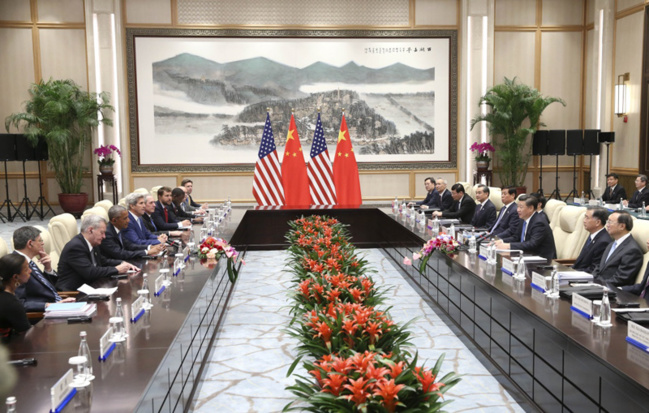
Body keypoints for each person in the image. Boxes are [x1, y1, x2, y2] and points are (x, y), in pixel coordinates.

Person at [57, 215, 139, 291]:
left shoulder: (93, 243)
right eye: (102, 233)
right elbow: (90, 272)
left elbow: (103, 261)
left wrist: (123, 263)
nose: (104, 236)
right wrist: (116, 269)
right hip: (73, 293)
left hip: (90, 287)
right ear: (90, 230)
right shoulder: (75, 247)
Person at [13, 226, 75, 312]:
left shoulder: (28, 261)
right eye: (40, 240)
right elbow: (20, 303)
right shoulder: (16, 265)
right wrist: (50, 306)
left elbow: (49, 288)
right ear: (30, 243)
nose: (42, 243)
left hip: (57, 305)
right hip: (43, 313)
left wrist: (48, 268)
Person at [494, 195, 556, 261]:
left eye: (521, 207)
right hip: (526, 255)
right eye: (518, 206)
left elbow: (532, 244)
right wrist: (501, 241)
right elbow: (516, 237)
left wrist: (508, 246)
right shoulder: (523, 219)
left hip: (542, 260)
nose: (518, 210)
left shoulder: (539, 222)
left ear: (531, 208)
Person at [592, 211, 643, 287]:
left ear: (622, 226)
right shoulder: (611, 244)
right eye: (607, 221)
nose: (607, 225)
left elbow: (620, 279)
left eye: (610, 222)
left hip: (612, 290)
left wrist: (597, 284)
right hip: (598, 285)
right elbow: (599, 267)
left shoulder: (632, 250)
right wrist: (590, 280)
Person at [101, 205, 165, 260]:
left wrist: (149, 247)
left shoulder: (118, 228)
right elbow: (120, 253)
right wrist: (147, 252)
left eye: (128, 217)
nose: (128, 220)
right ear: (114, 220)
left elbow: (129, 245)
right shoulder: (107, 233)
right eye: (125, 218)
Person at [0, 254, 32, 340]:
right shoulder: (11, 303)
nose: (30, 271)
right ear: (15, 277)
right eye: (26, 269)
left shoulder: (5, 294)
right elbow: (26, 334)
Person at [572, 207, 612, 273]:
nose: (584, 221)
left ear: (597, 222)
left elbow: (594, 269)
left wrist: (573, 273)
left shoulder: (603, 242)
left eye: (587, 218)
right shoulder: (593, 235)